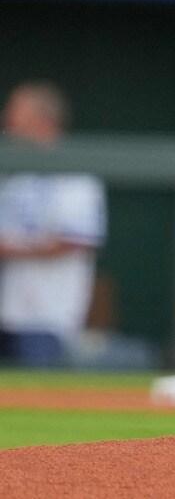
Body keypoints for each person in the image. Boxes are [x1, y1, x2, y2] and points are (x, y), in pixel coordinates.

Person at [0, 83, 106, 366]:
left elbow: (76, 239)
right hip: (7, 308)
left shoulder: (75, 177)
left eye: (16, 112)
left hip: (47, 315)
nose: (8, 120)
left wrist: (11, 249)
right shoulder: (14, 174)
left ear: (43, 119)